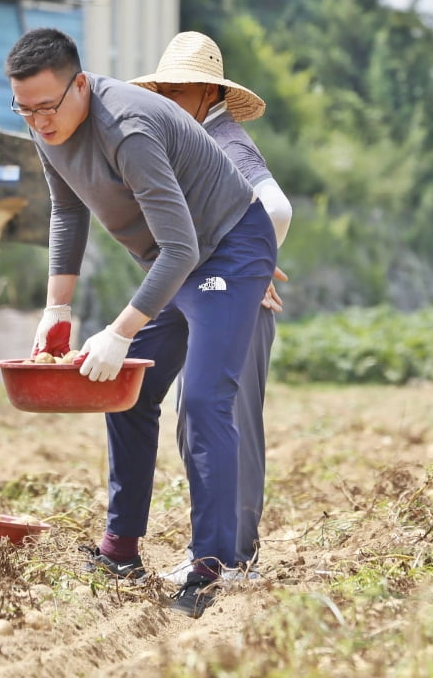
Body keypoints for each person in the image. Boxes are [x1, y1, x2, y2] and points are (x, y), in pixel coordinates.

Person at [4, 28, 276, 619]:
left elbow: (181, 249)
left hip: (228, 248)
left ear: (81, 84)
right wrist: (58, 311)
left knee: (203, 402)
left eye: (47, 107)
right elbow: (67, 210)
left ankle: (214, 563)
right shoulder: (47, 130)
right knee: (125, 392)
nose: (39, 123)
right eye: (24, 110)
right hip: (175, 261)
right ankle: (120, 548)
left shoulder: (128, 128)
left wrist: (120, 330)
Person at [130, 31, 293, 580]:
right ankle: (219, 551)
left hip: (232, 300)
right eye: (163, 90)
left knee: (224, 422)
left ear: (207, 94)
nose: (168, 100)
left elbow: (276, 206)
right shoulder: (191, 141)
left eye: (178, 91)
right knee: (200, 421)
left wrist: (254, 266)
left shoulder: (226, 143)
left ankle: (233, 557)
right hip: (208, 299)